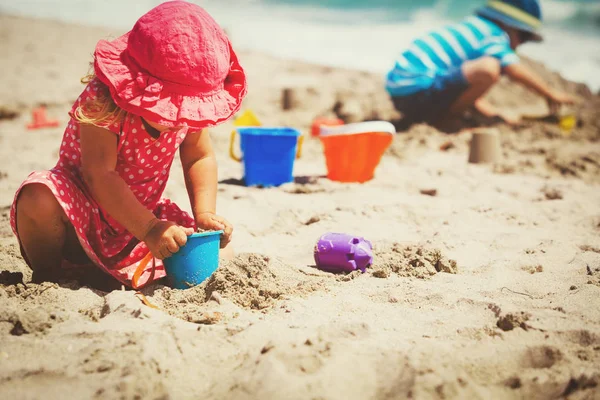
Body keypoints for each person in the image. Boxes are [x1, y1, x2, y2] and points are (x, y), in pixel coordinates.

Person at [10, 1, 247, 288]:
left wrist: (205, 213)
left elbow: (198, 155)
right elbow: (100, 174)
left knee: (224, 253)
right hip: (80, 218)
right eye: (172, 108)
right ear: (140, 88)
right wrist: (149, 228)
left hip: (139, 220)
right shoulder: (103, 101)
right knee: (37, 197)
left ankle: (114, 268)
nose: (180, 119)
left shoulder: (188, 112)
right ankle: (49, 277)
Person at [385, 0, 576, 131]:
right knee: (489, 68)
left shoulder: (474, 29)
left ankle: (443, 114)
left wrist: (492, 113)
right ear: (509, 26)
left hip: (403, 94)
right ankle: (446, 119)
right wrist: (550, 93)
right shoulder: (493, 34)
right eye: (523, 37)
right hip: (418, 92)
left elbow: (459, 86)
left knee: (481, 70)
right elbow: (514, 70)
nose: (518, 46)